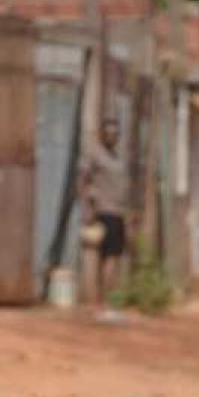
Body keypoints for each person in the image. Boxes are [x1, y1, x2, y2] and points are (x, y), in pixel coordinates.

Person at [80, 118, 129, 309]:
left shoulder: (116, 157)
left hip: (118, 211)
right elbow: (83, 179)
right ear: (102, 135)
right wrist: (88, 207)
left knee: (115, 257)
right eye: (109, 133)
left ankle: (108, 299)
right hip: (104, 211)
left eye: (116, 134)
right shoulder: (96, 155)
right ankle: (105, 301)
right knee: (108, 257)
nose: (113, 137)